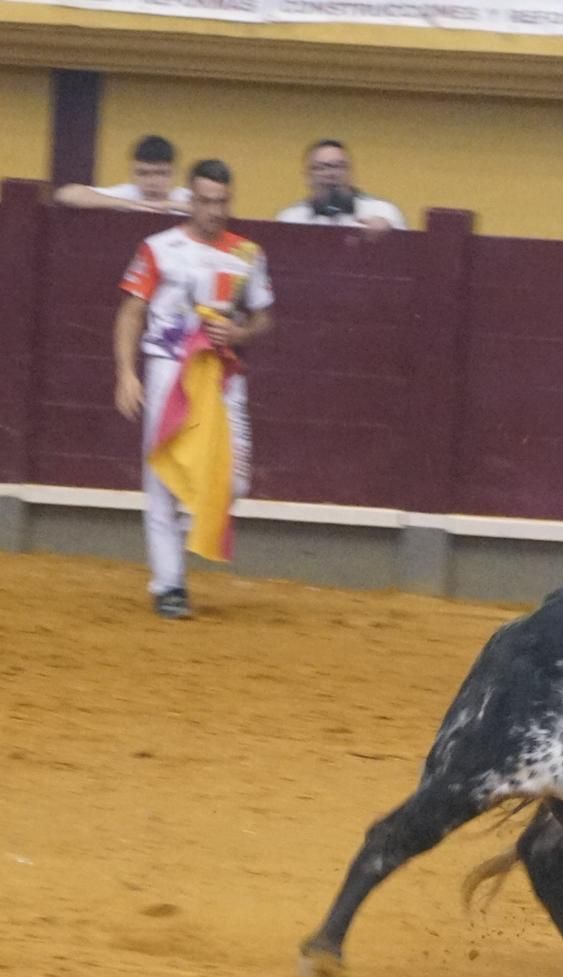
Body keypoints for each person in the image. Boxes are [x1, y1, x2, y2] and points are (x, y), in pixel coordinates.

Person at [114, 159, 274, 619]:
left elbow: (263, 315)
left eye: (221, 201)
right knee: (161, 478)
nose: (213, 211)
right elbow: (130, 312)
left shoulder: (247, 253)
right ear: (190, 199)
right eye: (204, 201)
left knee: (233, 478)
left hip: (222, 371)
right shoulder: (158, 249)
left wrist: (241, 335)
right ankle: (169, 585)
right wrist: (127, 372)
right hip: (167, 365)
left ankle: (188, 530)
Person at [275, 139, 406, 231]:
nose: (331, 174)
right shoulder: (291, 218)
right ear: (307, 176)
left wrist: (389, 235)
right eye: (321, 168)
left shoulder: (383, 212)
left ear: (351, 173)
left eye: (338, 166)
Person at [53, 134, 191, 214]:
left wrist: (170, 206)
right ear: (132, 173)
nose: (152, 181)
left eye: (161, 173)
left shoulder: (186, 197)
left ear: (174, 173)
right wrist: (126, 204)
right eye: (143, 173)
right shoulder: (127, 193)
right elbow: (66, 194)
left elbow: (210, 211)